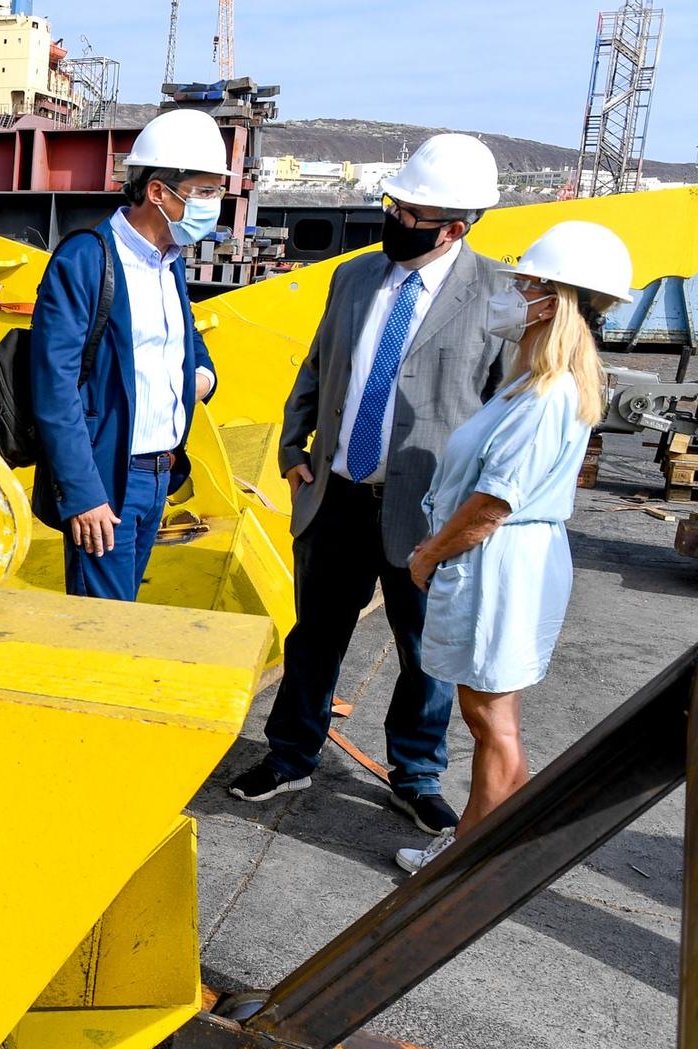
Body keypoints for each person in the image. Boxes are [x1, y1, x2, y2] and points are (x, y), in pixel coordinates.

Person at [228, 133, 510, 837]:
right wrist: (295, 448)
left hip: (428, 513)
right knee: (314, 637)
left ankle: (414, 774)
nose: (394, 220)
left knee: (427, 654)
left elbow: (508, 410)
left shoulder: (500, 297)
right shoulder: (354, 278)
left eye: (410, 213)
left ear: (456, 226)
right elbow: (319, 368)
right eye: (395, 204)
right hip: (337, 497)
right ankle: (291, 753)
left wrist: (481, 511)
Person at [394, 222, 633, 873]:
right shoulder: (534, 383)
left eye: (525, 282)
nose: (512, 291)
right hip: (511, 562)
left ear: (552, 300)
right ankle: (487, 845)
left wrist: (429, 554)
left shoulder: (546, 392)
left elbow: (493, 503)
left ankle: (473, 862)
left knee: (490, 719)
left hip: (502, 564)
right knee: (493, 714)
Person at [27, 107, 223, 600]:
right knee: (104, 627)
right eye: (204, 191)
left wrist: (202, 375)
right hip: (109, 478)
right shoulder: (87, 259)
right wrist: (83, 494)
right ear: (159, 192)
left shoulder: (169, 262)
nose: (214, 204)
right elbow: (54, 388)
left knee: (124, 615)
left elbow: (187, 339)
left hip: (161, 474)